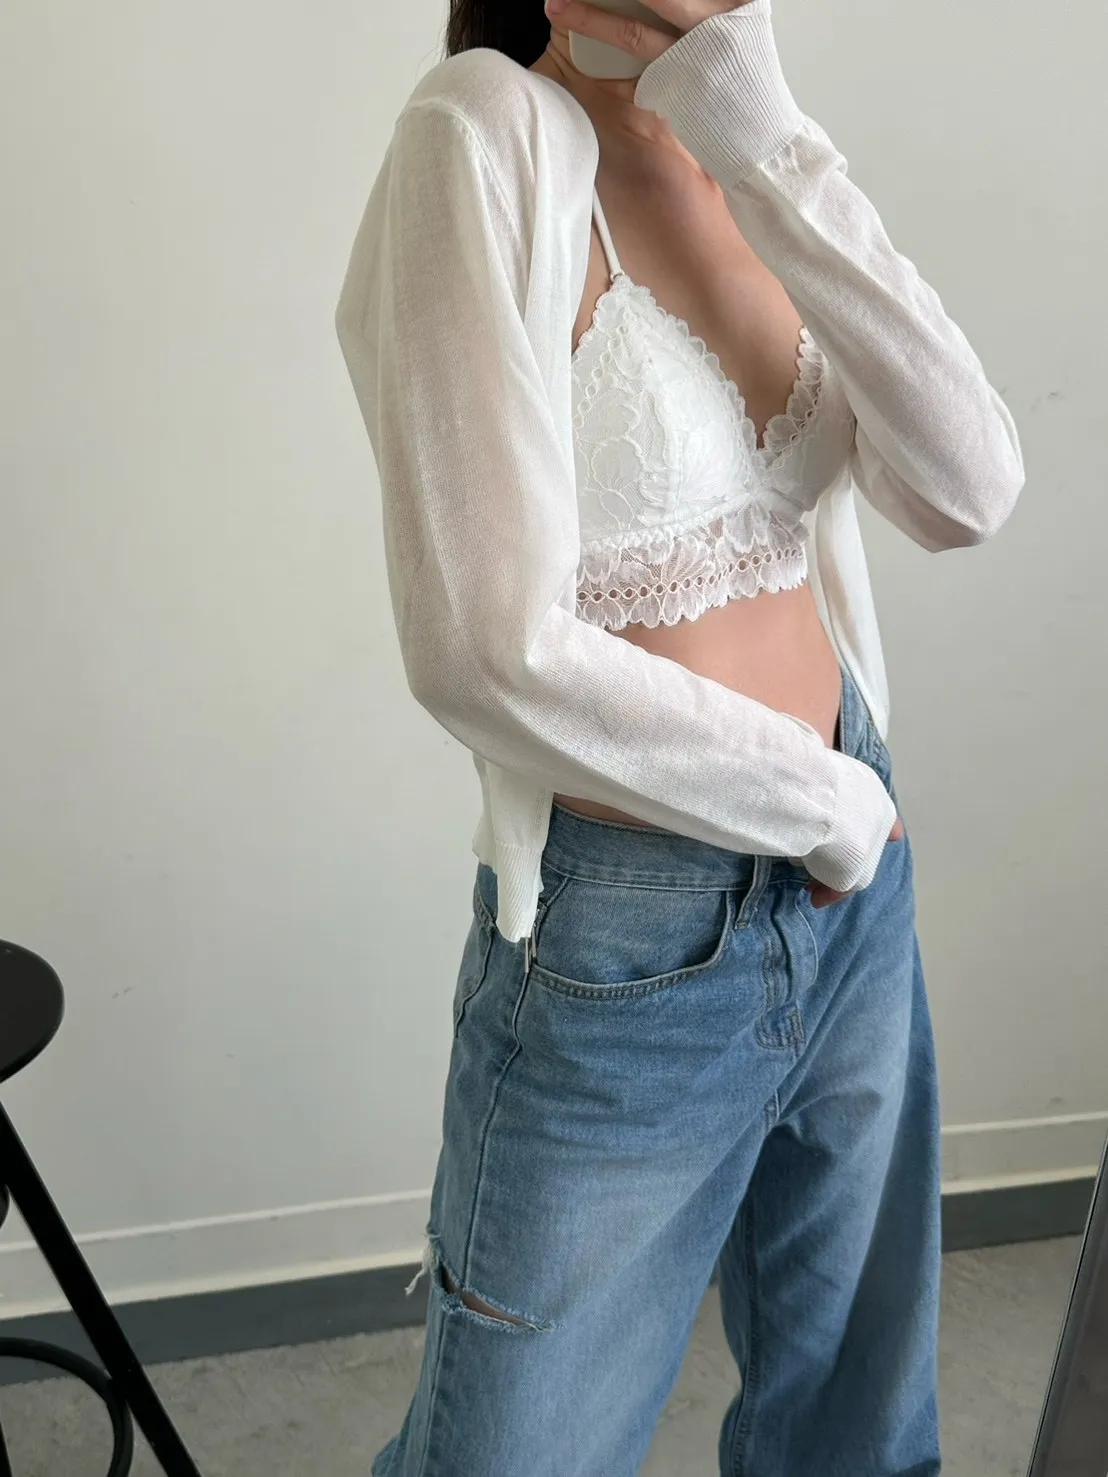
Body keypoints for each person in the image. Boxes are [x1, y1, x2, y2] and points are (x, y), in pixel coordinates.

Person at [335, 0, 1025, 1470]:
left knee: (859, 1429)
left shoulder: (749, 148)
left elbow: (967, 487)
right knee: (515, 1454)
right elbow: (481, 646)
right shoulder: (480, 133)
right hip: (640, 945)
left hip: (854, 901)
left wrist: (762, 132)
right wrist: (823, 804)